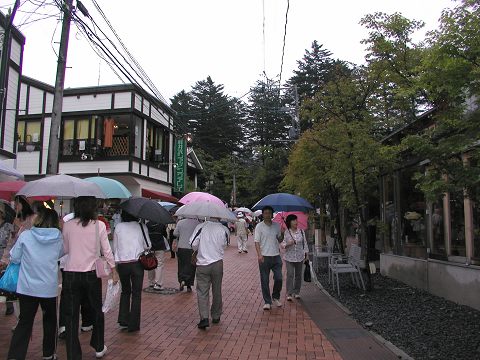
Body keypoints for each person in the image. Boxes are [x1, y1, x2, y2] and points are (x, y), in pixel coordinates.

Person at [61, 196, 119, 360]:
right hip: (91, 274)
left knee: (71, 314)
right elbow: (106, 250)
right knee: (96, 310)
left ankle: (73, 354)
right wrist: (113, 269)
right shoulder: (99, 225)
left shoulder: (68, 225)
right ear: (93, 208)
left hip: (71, 274)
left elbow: (65, 249)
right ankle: (99, 346)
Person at [6, 207, 64, 360]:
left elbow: (15, 258)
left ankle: (15, 356)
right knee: (50, 320)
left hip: (27, 287)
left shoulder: (26, 235)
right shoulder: (58, 236)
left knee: (24, 321)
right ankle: (49, 353)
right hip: (48, 288)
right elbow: (61, 254)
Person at [113, 211, 150, 332]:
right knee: (136, 293)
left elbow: (115, 247)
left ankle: (123, 319)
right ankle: (134, 323)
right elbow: (148, 245)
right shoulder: (141, 226)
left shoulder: (118, 227)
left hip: (122, 263)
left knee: (125, 291)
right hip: (137, 263)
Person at [190, 219, 229, 329]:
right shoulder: (223, 228)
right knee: (217, 290)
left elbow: (193, 244)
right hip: (217, 263)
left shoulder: (201, 227)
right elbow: (225, 245)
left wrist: (201, 249)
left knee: (202, 291)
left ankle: (204, 318)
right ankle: (216, 315)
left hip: (202, 263)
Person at [1, 197, 36, 317]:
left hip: (26, 261)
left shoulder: (32, 219)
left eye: (17, 203)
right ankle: (19, 319)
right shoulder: (17, 220)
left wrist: (21, 227)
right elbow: (11, 242)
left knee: (22, 292)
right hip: (15, 259)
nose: (15, 206)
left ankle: (23, 319)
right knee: (15, 290)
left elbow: (31, 236)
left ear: (23, 204)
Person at [254, 205, 283, 310]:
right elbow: (256, 242)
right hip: (264, 257)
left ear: (272, 214)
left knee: (279, 278)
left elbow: (280, 240)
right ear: (263, 214)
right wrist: (259, 255)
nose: (267, 215)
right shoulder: (259, 226)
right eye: (265, 213)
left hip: (276, 256)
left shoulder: (277, 226)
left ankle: (275, 297)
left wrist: (282, 232)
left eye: (269, 213)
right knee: (265, 280)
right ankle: (267, 301)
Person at [281, 214, 309, 301]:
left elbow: (305, 243)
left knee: (298, 275)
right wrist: (288, 243)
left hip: (299, 257)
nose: (296, 222)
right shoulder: (286, 232)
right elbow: (282, 244)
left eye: (296, 220)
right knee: (290, 274)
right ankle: (289, 293)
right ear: (289, 222)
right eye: (294, 220)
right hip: (289, 257)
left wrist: (307, 255)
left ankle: (297, 292)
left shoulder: (301, 231)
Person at [173, 217, 201, 292]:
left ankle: (182, 280)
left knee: (181, 264)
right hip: (192, 248)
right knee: (191, 266)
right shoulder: (197, 224)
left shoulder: (180, 222)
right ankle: (189, 284)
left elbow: (175, 233)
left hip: (181, 247)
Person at [146, 220, 168, 291]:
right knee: (159, 264)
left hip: (150, 246)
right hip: (160, 246)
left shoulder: (148, 225)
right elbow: (165, 235)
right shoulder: (161, 224)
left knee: (150, 263)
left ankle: (151, 282)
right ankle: (158, 283)